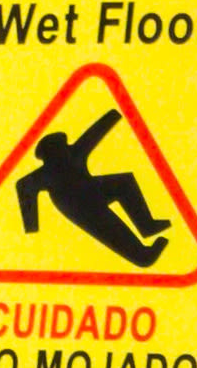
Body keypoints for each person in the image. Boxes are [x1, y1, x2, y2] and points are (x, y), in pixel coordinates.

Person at [14, 110, 174, 268]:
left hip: (92, 189)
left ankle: (147, 225)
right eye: (60, 144)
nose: (65, 146)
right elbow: (23, 186)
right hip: (77, 206)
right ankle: (143, 254)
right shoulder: (45, 173)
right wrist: (31, 224)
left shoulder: (72, 153)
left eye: (64, 143)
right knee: (109, 226)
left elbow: (93, 134)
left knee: (123, 182)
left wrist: (114, 115)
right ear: (49, 152)